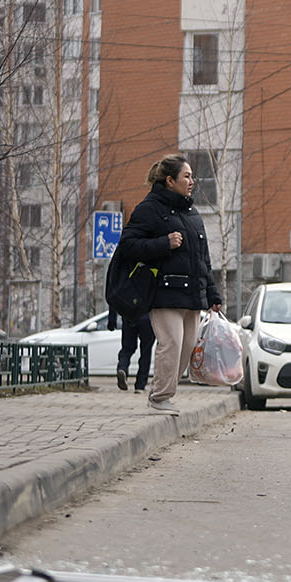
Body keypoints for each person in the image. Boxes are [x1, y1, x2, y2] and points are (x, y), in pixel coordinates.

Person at [116, 154, 223, 415]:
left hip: (193, 294)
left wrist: (212, 292)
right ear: (170, 180)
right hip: (164, 293)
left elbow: (203, 258)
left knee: (186, 348)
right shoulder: (149, 209)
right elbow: (127, 246)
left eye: (192, 177)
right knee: (171, 344)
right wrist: (163, 243)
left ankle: (164, 394)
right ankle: (159, 396)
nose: (192, 182)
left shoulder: (192, 212)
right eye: (186, 176)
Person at [107, 311, 155, 394]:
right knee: (146, 351)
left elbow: (114, 298)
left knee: (127, 349)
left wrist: (112, 319)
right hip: (147, 318)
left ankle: (122, 368)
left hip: (129, 317)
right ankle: (140, 385)